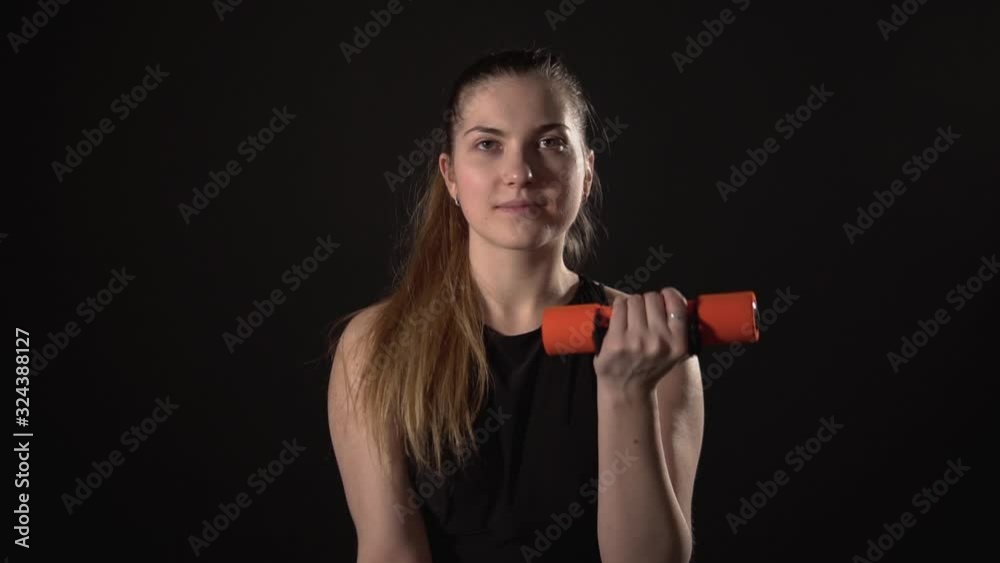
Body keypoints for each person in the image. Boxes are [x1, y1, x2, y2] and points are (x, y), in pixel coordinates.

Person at [327, 47, 704, 563]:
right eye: (487, 144)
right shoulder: (375, 345)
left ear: (587, 172)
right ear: (451, 176)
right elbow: (390, 552)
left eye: (550, 142)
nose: (520, 172)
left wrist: (625, 391)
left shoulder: (654, 341)